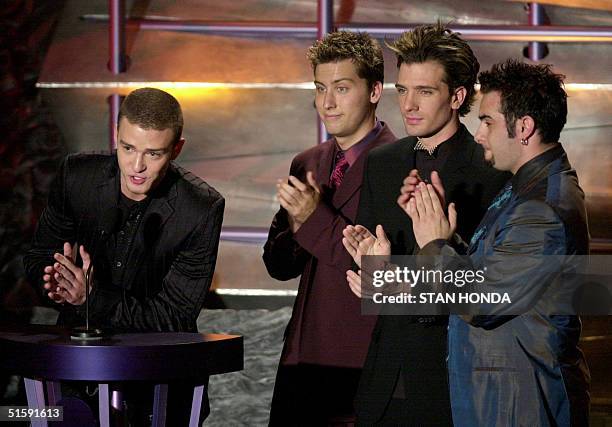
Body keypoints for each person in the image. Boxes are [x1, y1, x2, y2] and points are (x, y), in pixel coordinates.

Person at [401, 59, 590, 426]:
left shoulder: (542, 207)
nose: (479, 134)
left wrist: (435, 244)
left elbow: (482, 300)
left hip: (521, 405)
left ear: (524, 128)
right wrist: (444, 237)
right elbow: (499, 271)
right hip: (502, 399)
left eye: (487, 121)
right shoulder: (525, 188)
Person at [24, 87, 225, 424]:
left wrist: (91, 298)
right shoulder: (78, 177)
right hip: (74, 375)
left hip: (159, 385)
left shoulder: (200, 208)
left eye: (154, 154)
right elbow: (38, 256)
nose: (137, 166)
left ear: (177, 149)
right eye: (127, 148)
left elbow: (175, 316)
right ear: (115, 136)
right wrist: (56, 280)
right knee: (18, 416)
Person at [342, 23, 510, 425]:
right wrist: (370, 269)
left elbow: (491, 292)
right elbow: (370, 281)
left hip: (453, 379)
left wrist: (390, 280)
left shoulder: (493, 172)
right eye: (402, 90)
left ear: (457, 96)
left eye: (425, 91)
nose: (408, 105)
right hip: (384, 378)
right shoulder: (382, 164)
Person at [263, 31, 396, 425]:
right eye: (320, 88)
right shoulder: (307, 161)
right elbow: (278, 264)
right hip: (300, 361)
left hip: (356, 364)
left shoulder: (398, 165)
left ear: (375, 91)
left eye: (341, 88)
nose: (327, 102)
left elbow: (380, 274)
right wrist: (297, 222)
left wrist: (313, 215)